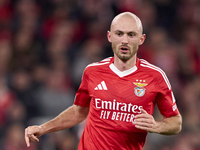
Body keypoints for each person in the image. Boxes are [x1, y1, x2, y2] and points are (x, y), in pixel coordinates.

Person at [25, 12, 182, 150]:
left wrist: (156, 126)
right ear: (109, 36)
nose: (125, 40)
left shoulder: (155, 76)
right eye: (119, 34)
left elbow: (176, 122)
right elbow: (79, 111)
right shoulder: (92, 72)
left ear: (141, 39)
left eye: (131, 35)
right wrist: (42, 128)